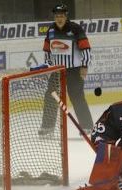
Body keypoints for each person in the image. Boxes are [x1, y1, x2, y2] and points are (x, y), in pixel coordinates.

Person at [39, 3, 93, 137]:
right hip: (57, 71)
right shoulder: (51, 30)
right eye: (57, 16)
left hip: (74, 70)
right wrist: (48, 65)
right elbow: (47, 50)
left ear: (66, 16)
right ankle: (47, 128)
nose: (59, 18)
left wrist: (84, 66)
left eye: (62, 16)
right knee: (50, 97)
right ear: (54, 17)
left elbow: (85, 48)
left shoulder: (75, 29)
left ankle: (87, 127)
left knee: (77, 97)